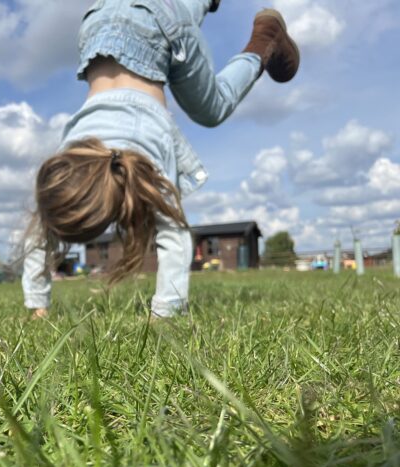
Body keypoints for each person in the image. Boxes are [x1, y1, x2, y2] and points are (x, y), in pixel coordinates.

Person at [22, 1, 300, 319]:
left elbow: (174, 234)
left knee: (213, 109)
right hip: (101, 18)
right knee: (167, 8)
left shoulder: (145, 165)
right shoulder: (69, 161)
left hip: (162, 31)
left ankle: (266, 39)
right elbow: (40, 232)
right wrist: (37, 308)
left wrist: (165, 314)